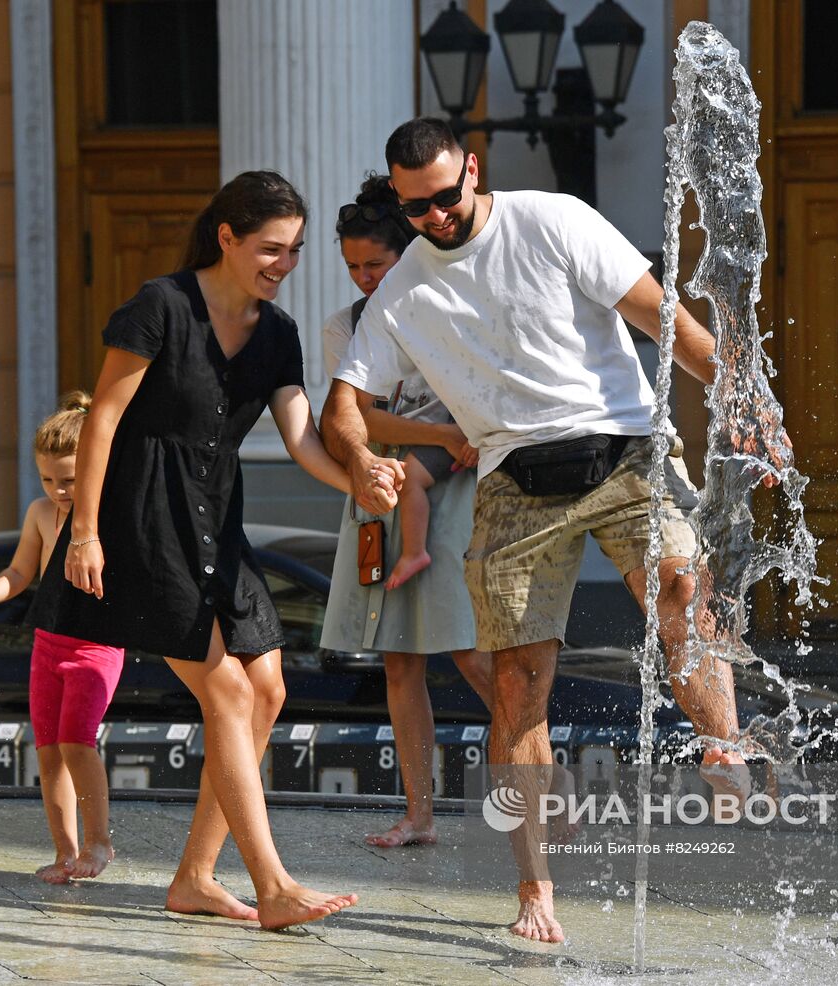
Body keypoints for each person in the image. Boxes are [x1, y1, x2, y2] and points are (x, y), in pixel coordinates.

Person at [322, 118, 790, 943]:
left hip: (623, 454)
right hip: (514, 481)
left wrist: (743, 398)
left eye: (442, 197)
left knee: (682, 585)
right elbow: (343, 408)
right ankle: (535, 888)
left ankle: (722, 744)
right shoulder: (401, 293)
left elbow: (663, 319)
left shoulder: (554, 219)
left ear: (472, 169)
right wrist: (361, 461)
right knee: (516, 688)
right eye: (413, 208)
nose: (433, 217)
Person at [32, 171, 397, 930]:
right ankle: (271, 885)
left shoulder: (278, 333)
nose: (283, 264)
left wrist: (355, 484)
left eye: (295, 252)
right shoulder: (160, 306)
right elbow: (102, 419)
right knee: (228, 692)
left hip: (214, 525)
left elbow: (300, 436)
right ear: (226, 237)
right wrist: (87, 531)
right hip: (138, 523)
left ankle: (196, 877)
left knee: (267, 692)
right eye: (270, 248)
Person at [320, 174, 493, 848]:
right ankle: (420, 814)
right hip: (378, 495)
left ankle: (548, 786)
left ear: (407, 253)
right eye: (353, 267)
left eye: (376, 264)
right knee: (397, 661)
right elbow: (357, 416)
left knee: (473, 656)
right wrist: (441, 432)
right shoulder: (346, 326)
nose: (364, 278)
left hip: (450, 488)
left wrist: (442, 437)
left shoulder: (446, 309)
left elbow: (473, 401)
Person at [0, 391, 122, 883]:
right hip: (49, 643)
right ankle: (66, 852)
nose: (58, 490)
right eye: (48, 479)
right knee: (48, 750)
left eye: (69, 480)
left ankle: (99, 841)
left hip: (95, 644)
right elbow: (21, 572)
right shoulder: (40, 514)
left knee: (76, 742)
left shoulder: (108, 515)